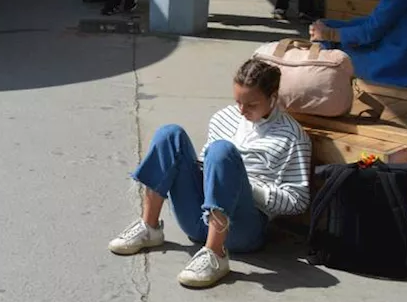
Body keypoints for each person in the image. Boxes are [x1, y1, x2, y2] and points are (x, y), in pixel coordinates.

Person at [108, 59, 311, 289]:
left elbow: (298, 201)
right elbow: (208, 162)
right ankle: (149, 227)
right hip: (199, 218)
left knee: (222, 151)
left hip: (243, 228)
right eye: (238, 102)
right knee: (170, 134)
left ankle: (216, 254)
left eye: (251, 105)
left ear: (273, 98)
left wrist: (243, 187)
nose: (242, 111)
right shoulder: (223, 117)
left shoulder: (292, 137)